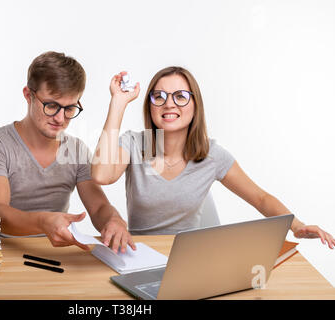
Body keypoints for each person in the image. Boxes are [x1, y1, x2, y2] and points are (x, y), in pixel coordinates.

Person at [91, 67, 334, 249]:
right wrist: (118, 103)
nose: (169, 104)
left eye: (180, 96)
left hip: (187, 259)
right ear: (150, 105)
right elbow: (101, 175)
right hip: (138, 254)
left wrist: (297, 226)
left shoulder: (211, 155)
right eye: (159, 97)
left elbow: (260, 198)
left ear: (195, 104)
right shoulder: (134, 144)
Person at [0, 51, 135, 253]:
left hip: (49, 253)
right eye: (51, 106)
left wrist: (114, 220)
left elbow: (99, 207)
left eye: (69, 108)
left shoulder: (75, 150)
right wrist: (43, 221)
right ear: (28, 95)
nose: (60, 118)